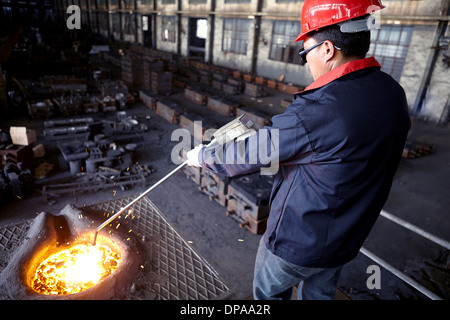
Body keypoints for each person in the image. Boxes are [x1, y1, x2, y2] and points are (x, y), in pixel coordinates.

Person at [186, 0, 411, 300]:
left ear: (328, 50)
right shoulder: (392, 92)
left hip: (297, 242)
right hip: (346, 239)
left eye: (305, 52)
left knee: (268, 296)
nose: (306, 62)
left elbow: (252, 153)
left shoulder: (318, 110)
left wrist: (202, 156)